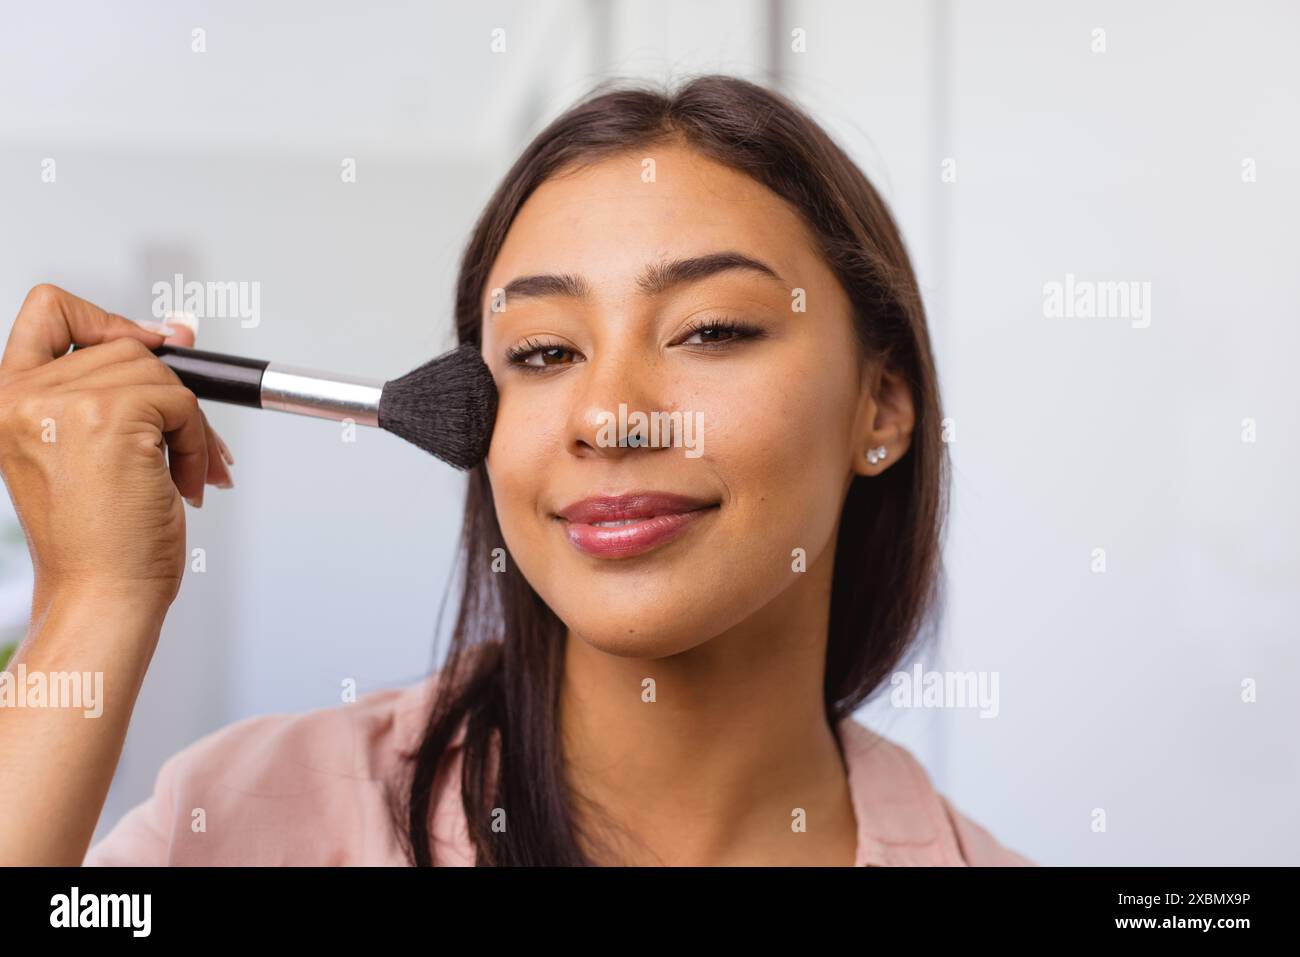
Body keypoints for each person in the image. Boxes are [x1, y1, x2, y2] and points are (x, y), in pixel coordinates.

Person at [0, 75, 1032, 866]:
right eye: (542, 352)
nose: (608, 417)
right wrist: (95, 602)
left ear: (881, 407)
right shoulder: (251, 814)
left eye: (711, 329)